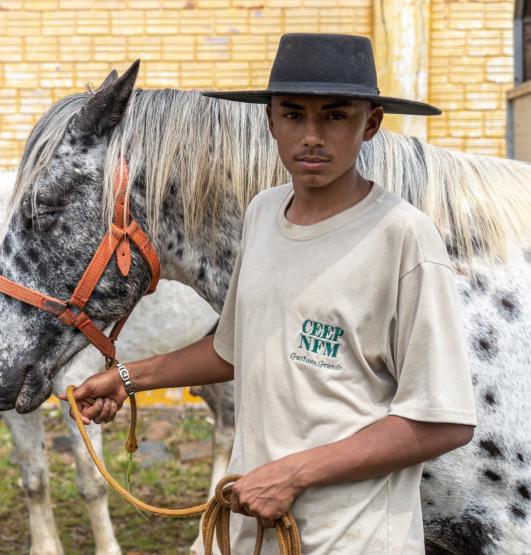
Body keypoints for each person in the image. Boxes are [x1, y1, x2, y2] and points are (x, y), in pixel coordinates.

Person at [63, 34, 476, 553]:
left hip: (355, 538)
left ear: (370, 124)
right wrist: (128, 377)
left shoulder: (404, 237)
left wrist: (293, 474)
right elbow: (232, 349)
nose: (311, 136)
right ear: (270, 121)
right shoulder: (263, 214)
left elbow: (443, 421)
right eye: (294, 114)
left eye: (335, 116)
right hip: (254, 530)